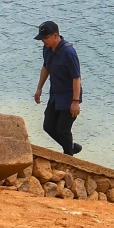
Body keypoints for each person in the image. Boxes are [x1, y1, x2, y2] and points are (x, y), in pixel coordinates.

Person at [32, 20, 82, 157]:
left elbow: (76, 78)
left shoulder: (69, 52)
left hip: (69, 96)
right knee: (48, 125)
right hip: (55, 95)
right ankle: (71, 147)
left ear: (55, 36)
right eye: (42, 39)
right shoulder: (47, 49)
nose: (43, 42)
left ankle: (68, 157)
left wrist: (75, 102)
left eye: (45, 38)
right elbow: (46, 67)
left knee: (63, 129)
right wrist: (39, 88)